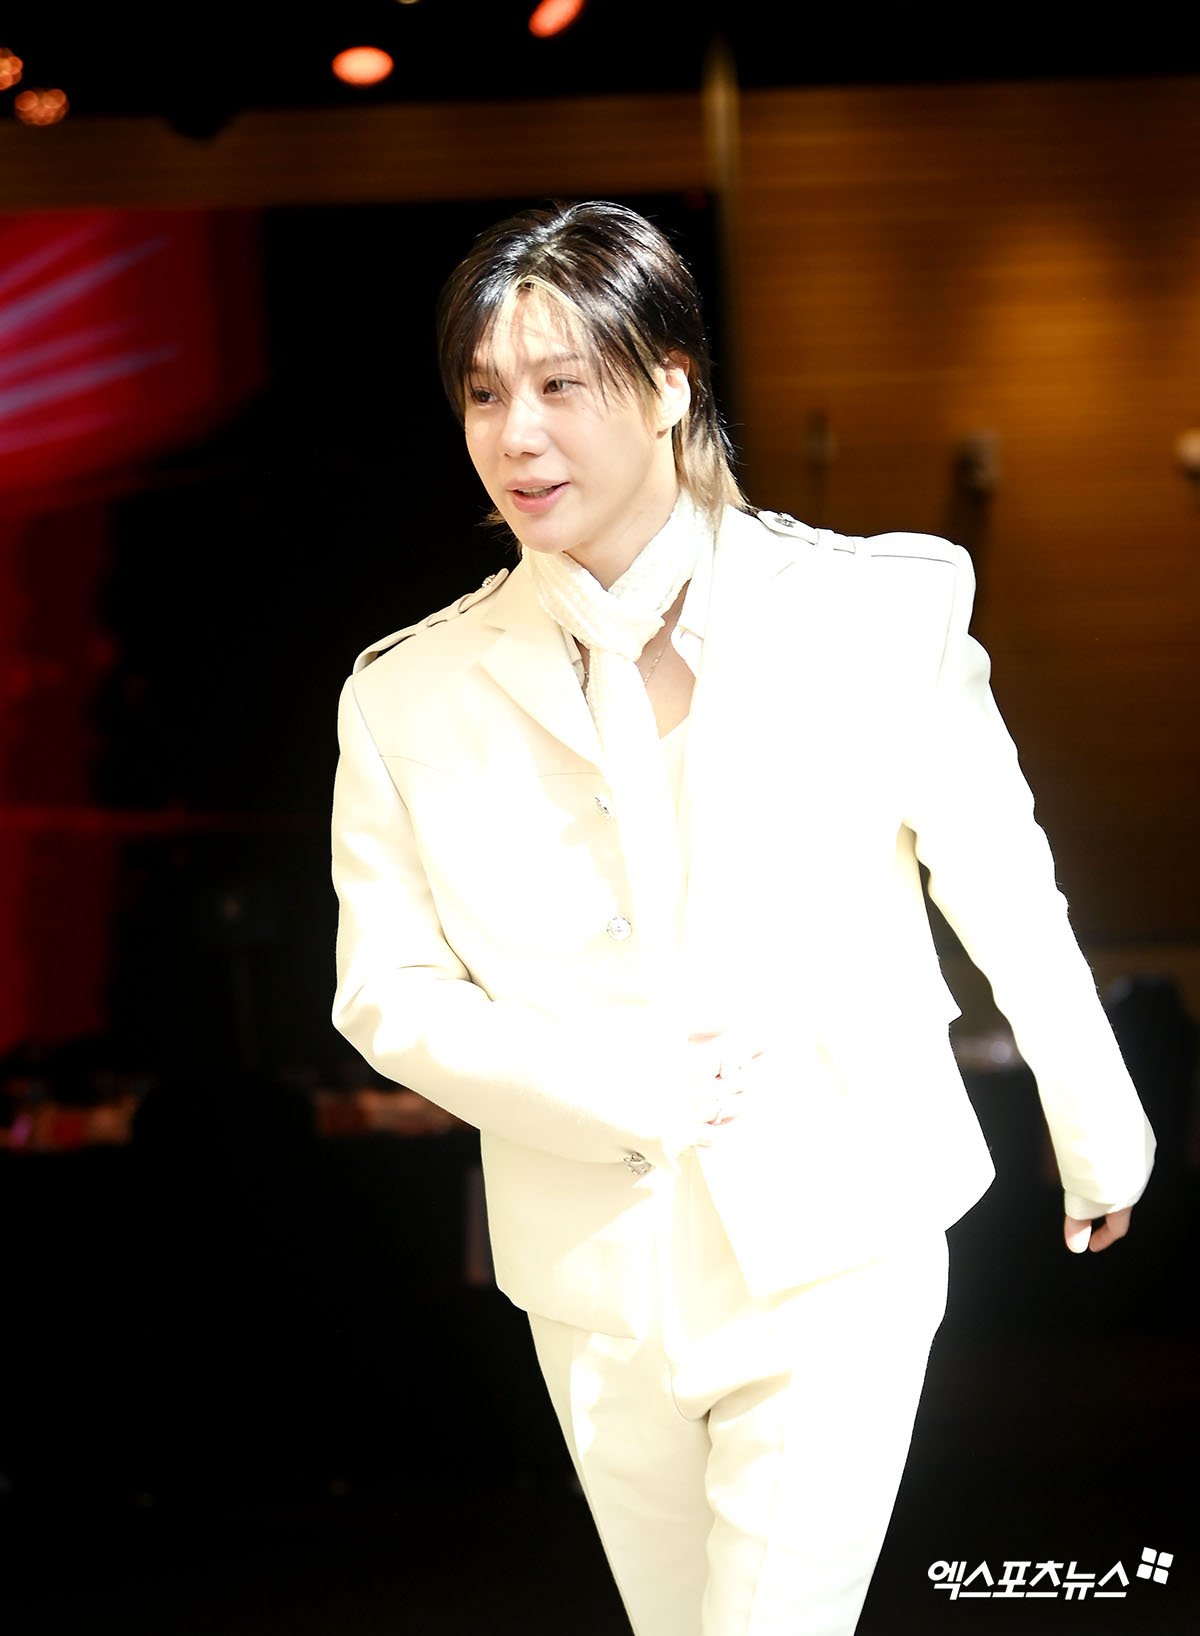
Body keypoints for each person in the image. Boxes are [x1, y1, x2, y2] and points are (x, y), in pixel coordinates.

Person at [330, 200, 1155, 1636]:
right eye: (484, 394)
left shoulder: (875, 611)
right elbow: (385, 991)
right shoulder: (407, 692)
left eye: (561, 384)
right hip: (594, 1281)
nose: (517, 434)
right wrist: (608, 1086)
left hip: (843, 1228)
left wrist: (1098, 1124)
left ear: (668, 385)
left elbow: (1004, 883)